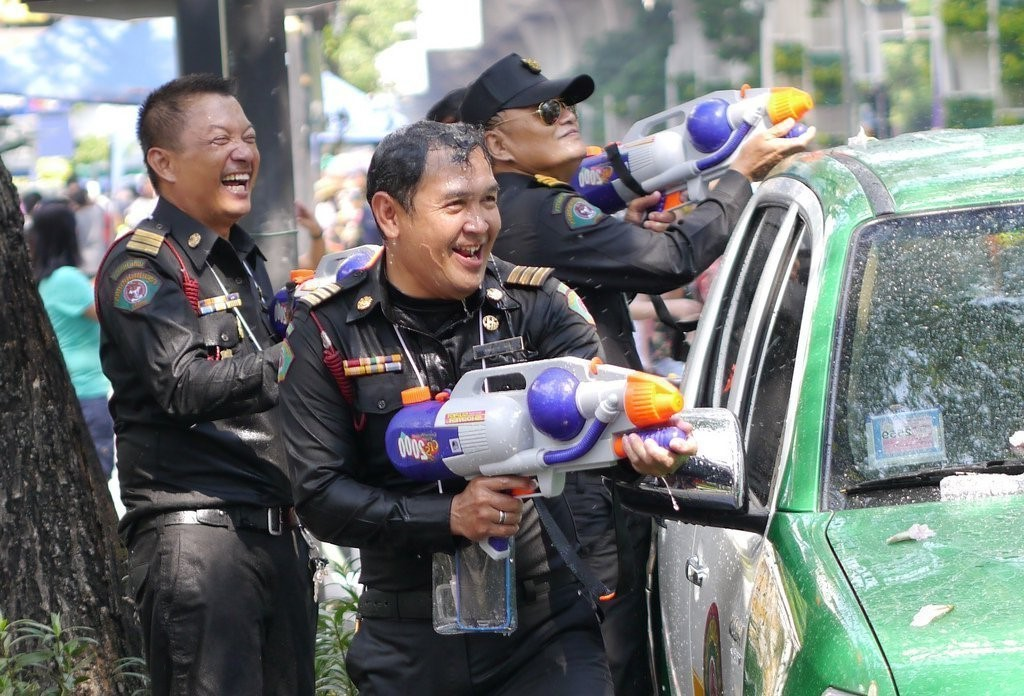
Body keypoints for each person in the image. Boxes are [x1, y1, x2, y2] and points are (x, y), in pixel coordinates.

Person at [279, 120, 692, 696]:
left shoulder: (539, 305)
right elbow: (319, 494)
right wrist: (446, 519)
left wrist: (639, 454)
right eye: (455, 205)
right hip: (407, 639)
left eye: (490, 200)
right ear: (390, 215)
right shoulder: (328, 330)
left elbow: (606, 427)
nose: (480, 224)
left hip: (547, 631)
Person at [459, 53, 816, 695]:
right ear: (496, 142)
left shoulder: (533, 207)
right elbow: (671, 259)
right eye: (546, 109)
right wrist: (739, 176)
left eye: (568, 104)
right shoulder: (538, 213)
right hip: (589, 475)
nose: (566, 116)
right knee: (612, 657)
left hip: (580, 460)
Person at [94, 73, 316, 695]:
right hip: (198, 544)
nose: (243, 152)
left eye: (247, 136)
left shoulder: (239, 256)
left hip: (273, 534)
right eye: (220, 140)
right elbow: (183, 385)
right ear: (162, 162)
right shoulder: (142, 264)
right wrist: (298, 355)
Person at [30, 199, 116, 479]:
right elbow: (112, 315)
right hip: (86, 392)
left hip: (70, 386)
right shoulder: (67, 279)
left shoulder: (46, 279)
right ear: (69, 234)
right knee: (97, 476)